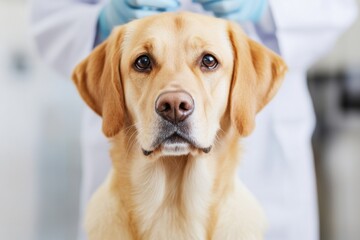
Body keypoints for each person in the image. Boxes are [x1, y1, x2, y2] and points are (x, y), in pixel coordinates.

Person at [30, 0, 357, 239]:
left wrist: (267, 9)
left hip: (266, 173)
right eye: (143, 62)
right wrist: (101, 21)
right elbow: (49, 15)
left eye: (208, 62)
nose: (175, 100)